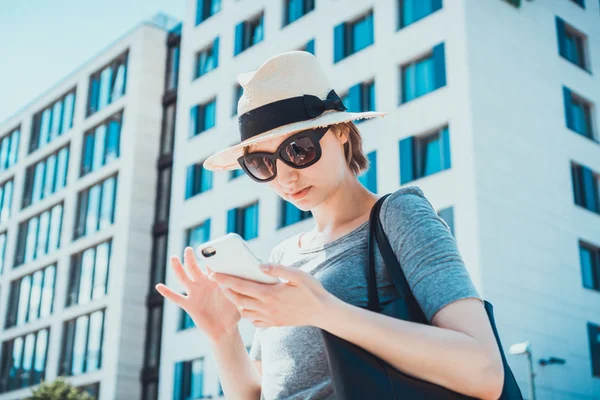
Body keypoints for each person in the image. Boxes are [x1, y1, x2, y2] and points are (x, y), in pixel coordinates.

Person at [155, 51, 504, 400]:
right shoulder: (283, 255)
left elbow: (485, 372)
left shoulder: (399, 215)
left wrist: (324, 312)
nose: (286, 177)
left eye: (299, 149)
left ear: (339, 131)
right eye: (262, 163)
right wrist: (222, 334)